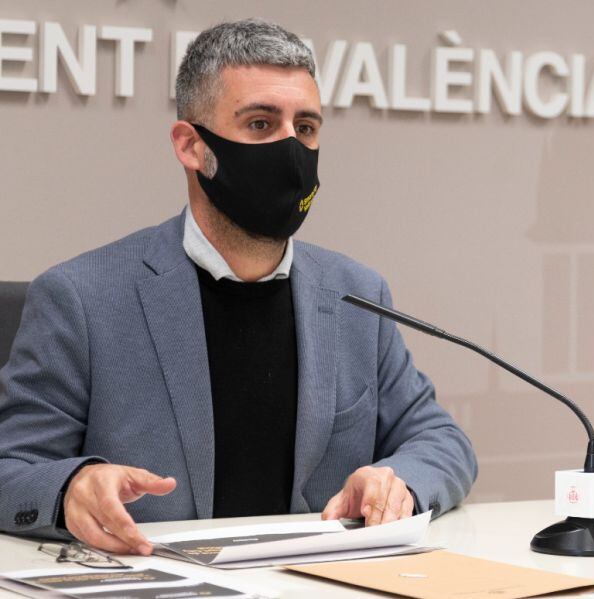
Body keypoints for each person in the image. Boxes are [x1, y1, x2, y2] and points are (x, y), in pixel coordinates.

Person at [0, 19, 477, 555]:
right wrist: (71, 488)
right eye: (259, 124)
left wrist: (398, 481)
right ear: (190, 146)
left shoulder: (356, 295)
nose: (290, 149)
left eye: (307, 128)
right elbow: (11, 469)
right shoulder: (81, 298)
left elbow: (442, 441)